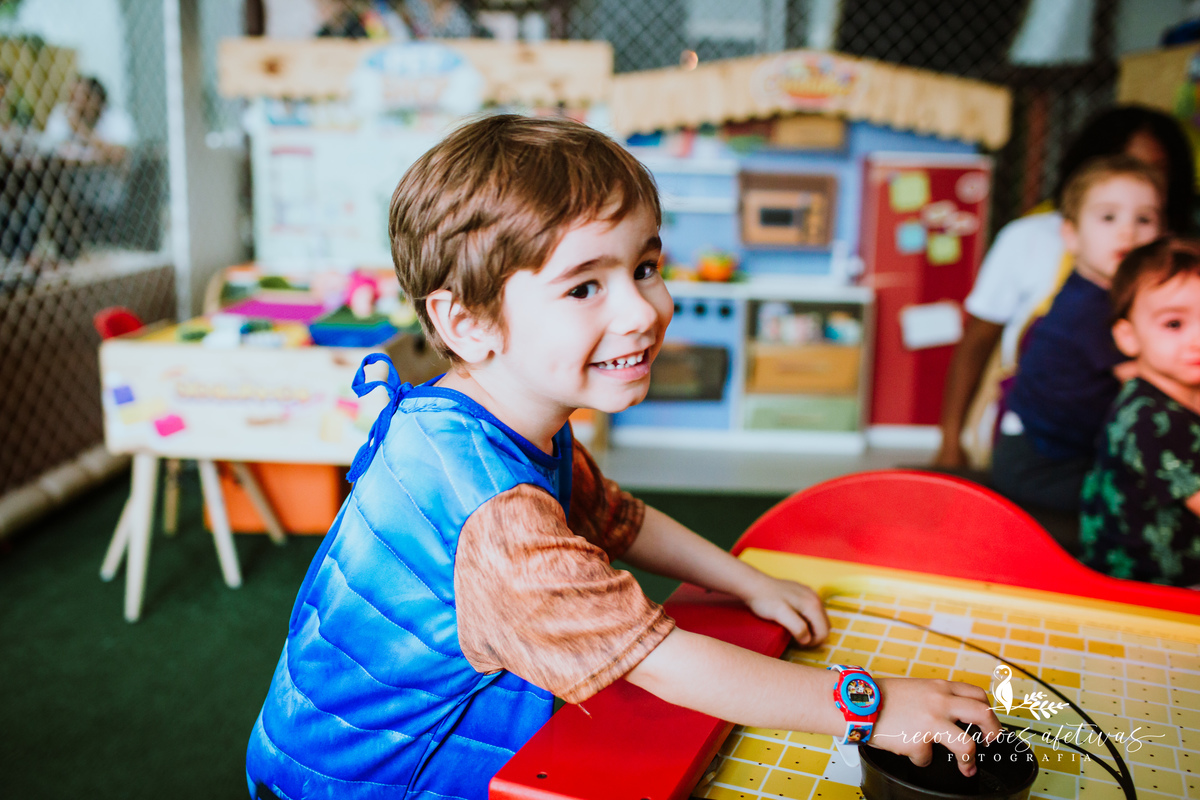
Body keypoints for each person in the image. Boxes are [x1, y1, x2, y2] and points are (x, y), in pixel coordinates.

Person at [244, 115, 1001, 800]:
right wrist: (874, 707)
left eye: (643, 267)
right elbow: (659, 659)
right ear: (468, 320)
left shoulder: (491, 410)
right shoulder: (498, 518)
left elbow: (613, 518)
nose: (643, 310)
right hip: (370, 781)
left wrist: (749, 581)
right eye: (584, 287)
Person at [934, 105, 1195, 471]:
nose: (1126, 230)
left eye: (1153, 171)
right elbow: (976, 342)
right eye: (1108, 215)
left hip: (1094, 439)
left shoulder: (1167, 264)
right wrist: (950, 443)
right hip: (1046, 452)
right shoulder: (1076, 289)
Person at [991, 155, 1164, 524]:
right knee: (1147, 501)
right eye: (1108, 217)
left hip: (1065, 451)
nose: (1127, 233)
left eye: (1144, 219)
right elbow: (1148, 381)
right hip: (1041, 464)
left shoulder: (1115, 296)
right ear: (1070, 235)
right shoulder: (1090, 306)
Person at [1080, 237, 1200, 586]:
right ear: (1128, 337)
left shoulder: (1176, 391)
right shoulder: (1152, 420)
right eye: (1174, 324)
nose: (1197, 339)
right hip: (1147, 591)